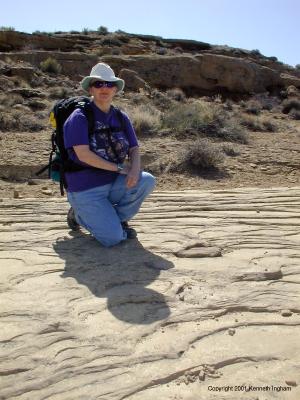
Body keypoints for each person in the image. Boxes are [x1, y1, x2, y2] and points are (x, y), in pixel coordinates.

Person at [63, 62, 156, 247]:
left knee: (146, 180)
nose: (104, 88)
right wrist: (121, 168)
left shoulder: (121, 117)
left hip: (112, 182)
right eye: (98, 84)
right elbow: (83, 155)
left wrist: (134, 169)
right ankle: (79, 214)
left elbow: (134, 149)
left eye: (109, 84)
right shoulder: (79, 117)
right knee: (114, 239)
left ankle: (113, 219)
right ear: (91, 89)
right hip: (85, 187)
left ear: (115, 89)